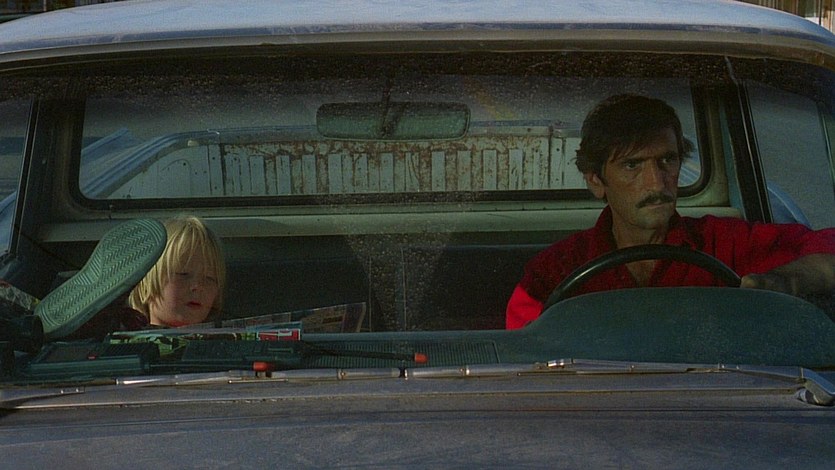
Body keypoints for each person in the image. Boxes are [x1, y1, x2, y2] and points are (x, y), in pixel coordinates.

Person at [506, 94, 835, 330]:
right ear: (596, 180)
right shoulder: (556, 269)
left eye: (667, 160)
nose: (656, 182)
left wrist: (788, 280)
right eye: (632, 165)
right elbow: (521, 361)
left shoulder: (723, 243)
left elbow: (827, 246)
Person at [129, 215, 226, 327]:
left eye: (209, 278)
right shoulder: (123, 336)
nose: (197, 286)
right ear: (146, 283)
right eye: (183, 274)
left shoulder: (227, 337)